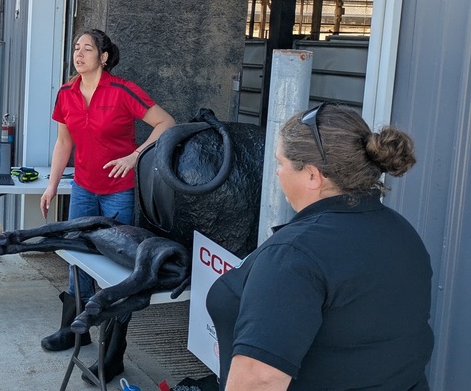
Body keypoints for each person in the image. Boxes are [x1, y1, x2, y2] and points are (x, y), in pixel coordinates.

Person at [206, 104, 434, 391]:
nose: (277, 173)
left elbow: (261, 379)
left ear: (313, 175)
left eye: (281, 163)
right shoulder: (402, 232)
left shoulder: (295, 254)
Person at [38, 29, 176, 381]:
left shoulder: (122, 91)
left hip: (119, 192)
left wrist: (135, 156)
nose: (79, 54)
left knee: (117, 270)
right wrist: (52, 186)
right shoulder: (66, 93)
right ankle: (74, 330)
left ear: (103, 57)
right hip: (83, 189)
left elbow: (166, 123)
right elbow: (63, 143)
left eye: (87, 49)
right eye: (75, 48)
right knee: (76, 258)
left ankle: (113, 355)